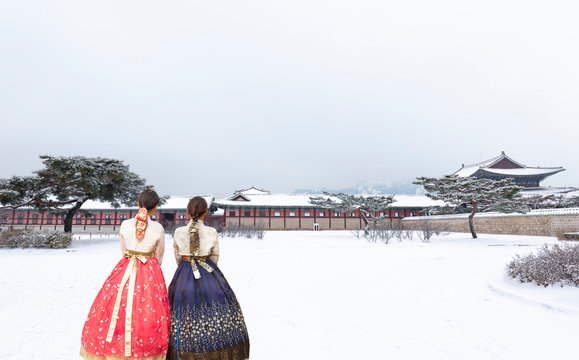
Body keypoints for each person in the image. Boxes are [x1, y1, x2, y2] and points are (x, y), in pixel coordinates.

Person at [80, 189, 170, 360]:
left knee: (117, 308)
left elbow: (124, 251)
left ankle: (115, 347)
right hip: (149, 271)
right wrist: (150, 269)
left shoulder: (125, 224)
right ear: (156, 208)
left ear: (138, 204)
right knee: (147, 311)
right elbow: (159, 255)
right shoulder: (158, 228)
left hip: (125, 269)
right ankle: (145, 347)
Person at [167, 196, 249, 360]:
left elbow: (177, 256)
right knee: (213, 315)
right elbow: (215, 256)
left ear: (187, 212)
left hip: (184, 272)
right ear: (205, 213)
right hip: (209, 273)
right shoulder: (211, 232)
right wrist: (208, 271)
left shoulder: (178, 232)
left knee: (181, 315)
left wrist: (186, 269)